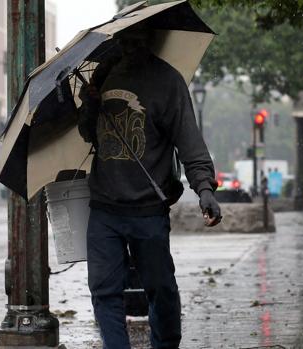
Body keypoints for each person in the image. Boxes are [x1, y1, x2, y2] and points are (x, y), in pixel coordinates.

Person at [78, 27, 222, 349]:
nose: (130, 45)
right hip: (104, 209)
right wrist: (89, 105)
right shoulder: (103, 75)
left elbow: (190, 145)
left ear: (152, 41)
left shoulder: (168, 83)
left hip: (148, 210)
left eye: (138, 39)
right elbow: (89, 134)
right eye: (125, 40)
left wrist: (205, 190)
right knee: (103, 292)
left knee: (162, 290)